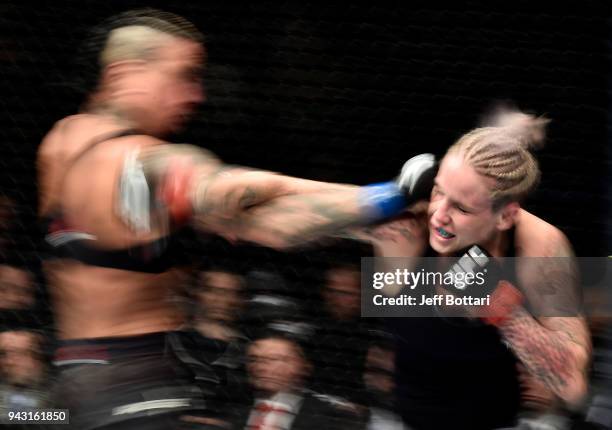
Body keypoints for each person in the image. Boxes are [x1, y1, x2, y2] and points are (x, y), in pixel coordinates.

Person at [37, 8, 431, 429]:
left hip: (72, 394)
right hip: (138, 398)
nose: (196, 95)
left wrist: (371, 214)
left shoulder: (60, 142)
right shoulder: (140, 164)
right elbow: (255, 212)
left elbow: (236, 217)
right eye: (184, 75)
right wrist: (392, 194)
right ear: (124, 74)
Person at [352, 108, 591, 429]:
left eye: (461, 207)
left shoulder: (539, 246)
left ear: (505, 216)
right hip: (401, 418)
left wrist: (501, 306)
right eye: (438, 191)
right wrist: (387, 197)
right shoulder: (405, 222)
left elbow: (573, 387)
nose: (439, 215)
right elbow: (286, 217)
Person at [237, 330, 364, 430]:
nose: (260, 367)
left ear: (303, 367)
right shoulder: (234, 412)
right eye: (254, 359)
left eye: (275, 359)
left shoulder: (332, 416)